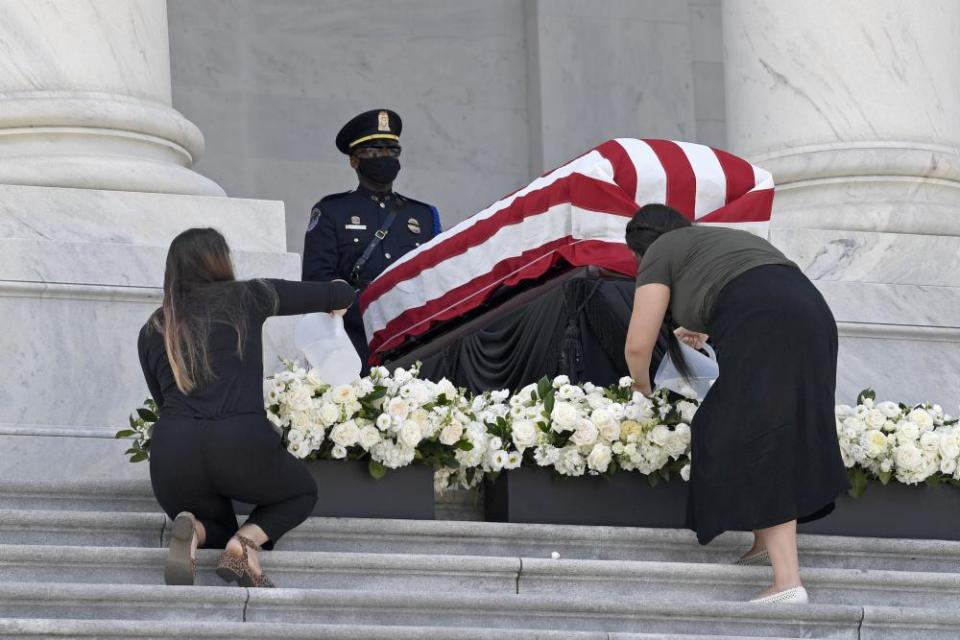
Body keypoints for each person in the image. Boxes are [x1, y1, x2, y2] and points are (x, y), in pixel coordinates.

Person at [623, 204, 848, 604]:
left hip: (766, 318)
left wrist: (642, 390)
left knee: (754, 431)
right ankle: (764, 543)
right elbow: (754, 291)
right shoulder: (719, 242)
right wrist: (705, 329)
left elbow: (638, 344)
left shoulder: (660, 250)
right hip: (815, 316)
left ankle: (787, 583)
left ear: (640, 250)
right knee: (773, 423)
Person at [138, 227, 355, 588]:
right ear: (221, 261)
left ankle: (192, 532)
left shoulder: (154, 326)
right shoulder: (249, 296)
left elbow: (162, 401)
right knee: (300, 492)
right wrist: (339, 300)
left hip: (172, 456)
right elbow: (339, 292)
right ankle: (246, 542)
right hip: (239, 442)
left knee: (218, 523)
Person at [302, 108, 441, 370]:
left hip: (413, 339)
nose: (385, 157)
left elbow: (436, 278)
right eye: (375, 152)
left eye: (391, 151)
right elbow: (316, 280)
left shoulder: (422, 215)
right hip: (354, 342)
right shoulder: (333, 211)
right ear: (354, 160)